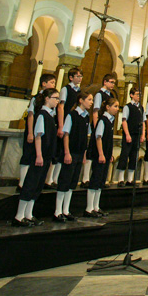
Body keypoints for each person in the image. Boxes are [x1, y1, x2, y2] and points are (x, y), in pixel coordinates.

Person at [13, 88, 60, 227]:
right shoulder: (42, 115)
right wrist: (39, 155)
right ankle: (19, 216)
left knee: (38, 186)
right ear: (47, 98)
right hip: (39, 156)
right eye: (55, 98)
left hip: (46, 156)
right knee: (30, 184)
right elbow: (38, 136)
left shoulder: (51, 115)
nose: (57, 101)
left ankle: (29, 214)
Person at [54, 90, 93, 221]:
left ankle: (66, 210)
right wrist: (66, 152)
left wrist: (84, 154)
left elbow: (85, 136)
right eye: (89, 100)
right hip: (70, 152)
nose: (91, 103)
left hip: (80, 153)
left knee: (72, 182)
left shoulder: (86, 116)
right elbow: (66, 134)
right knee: (65, 181)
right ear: (81, 100)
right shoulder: (72, 115)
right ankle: (57, 211)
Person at [17, 72, 56, 192]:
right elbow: (30, 115)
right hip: (33, 130)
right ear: (44, 84)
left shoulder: (51, 101)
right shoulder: (36, 98)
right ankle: (22, 183)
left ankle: (39, 181)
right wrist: (30, 132)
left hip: (43, 133)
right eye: (52, 82)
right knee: (28, 155)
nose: (53, 84)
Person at [85, 97, 119, 217]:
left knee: (101, 181)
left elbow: (108, 141)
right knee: (95, 180)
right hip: (99, 155)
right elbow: (98, 137)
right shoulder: (102, 120)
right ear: (107, 107)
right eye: (115, 106)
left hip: (105, 155)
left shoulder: (110, 121)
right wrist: (101, 154)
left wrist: (109, 155)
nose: (117, 109)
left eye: (118, 106)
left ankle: (96, 206)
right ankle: (89, 208)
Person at [82, 73, 117, 186]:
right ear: (105, 82)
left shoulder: (110, 95)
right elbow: (96, 111)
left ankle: (101, 179)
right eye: (111, 82)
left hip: (105, 125)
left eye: (114, 83)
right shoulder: (99, 94)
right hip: (99, 125)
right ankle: (86, 178)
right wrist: (97, 126)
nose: (113, 84)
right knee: (92, 152)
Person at [52, 67, 83, 189]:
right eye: (78, 76)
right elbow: (61, 107)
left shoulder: (79, 91)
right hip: (64, 121)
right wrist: (61, 125)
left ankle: (59, 177)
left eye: (81, 76)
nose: (80, 78)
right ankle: (52, 178)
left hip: (73, 124)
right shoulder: (66, 89)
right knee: (58, 151)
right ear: (71, 77)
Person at [114, 88, 144, 186]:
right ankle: (120, 179)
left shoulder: (141, 107)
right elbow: (124, 120)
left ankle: (130, 179)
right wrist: (127, 134)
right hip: (129, 133)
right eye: (136, 94)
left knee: (134, 156)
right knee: (124, 155)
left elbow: (143, 122)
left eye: (140, 94)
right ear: (131, 95)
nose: (138, 96)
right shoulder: (128, 107)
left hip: (137, 134)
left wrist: (142, 134)